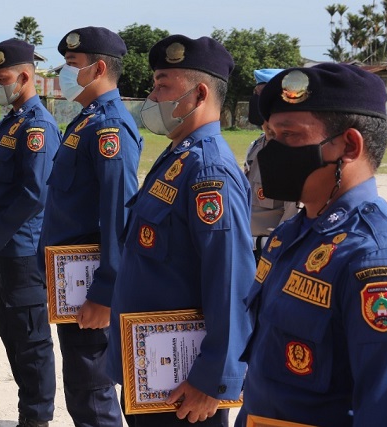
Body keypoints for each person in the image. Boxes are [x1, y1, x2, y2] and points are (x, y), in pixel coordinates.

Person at [235, 63, 387, 427]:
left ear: (349, 146)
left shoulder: (377, 260)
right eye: (271, 136)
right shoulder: (292, 234)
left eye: (289, 137)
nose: (271, 152)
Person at [107, 35, 255, 426]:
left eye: (163, 85)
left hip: (185, 382)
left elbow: (230, 280)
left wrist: (213, 379)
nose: (153, 96)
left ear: (199, 93)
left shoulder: (209, 171)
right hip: (152, 368)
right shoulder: (179, 155)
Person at [38, 26, 143, 427]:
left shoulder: (109, 128)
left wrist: (105, 291)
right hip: (70, 280)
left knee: (93, 389)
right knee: (81, 387)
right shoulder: (86, 121)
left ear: (97, 68)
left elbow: (117, 213)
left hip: (88, 286)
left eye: (71, 65)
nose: (64, 73)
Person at [0, 38, 60, 427]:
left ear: (24, 76)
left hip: (23, 250)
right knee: (12, 334)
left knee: (31, 341)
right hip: (4, 251)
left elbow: (35, 193)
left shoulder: (37, 126)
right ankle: (28, 415)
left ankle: (36, 419)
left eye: (2, 78)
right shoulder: (9, 123)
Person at [244, 68, 299, 262]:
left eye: (265, 94)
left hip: (272, 253)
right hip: (247, 250)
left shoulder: (293, 153)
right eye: (258, 94)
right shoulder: (256, 146)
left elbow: (292, 215)